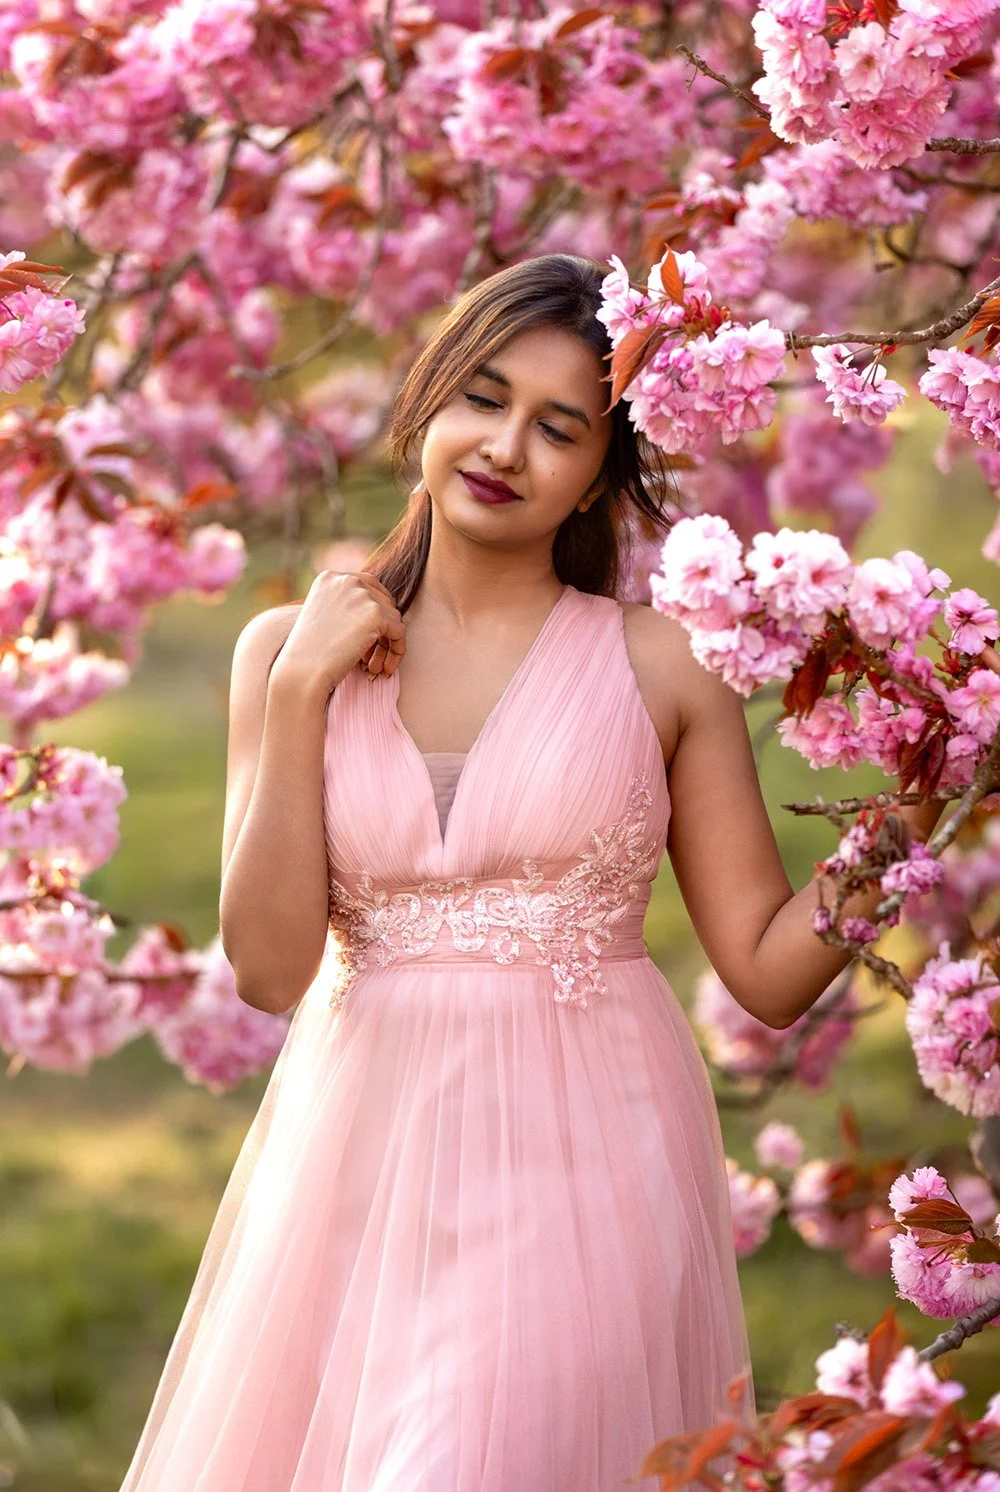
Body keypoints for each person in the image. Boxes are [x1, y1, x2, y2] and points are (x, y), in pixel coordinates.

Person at [118, 253, 941, 1491]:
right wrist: (298, 697)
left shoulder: (660, 665)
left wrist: (900, 828)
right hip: (357, 1156)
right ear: (427, 402)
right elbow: (271, 967)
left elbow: (768, 976)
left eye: (558, 428)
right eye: (481, 399)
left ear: (600, 476)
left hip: (584, 1159)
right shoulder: (284, 654)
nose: (504, 446)